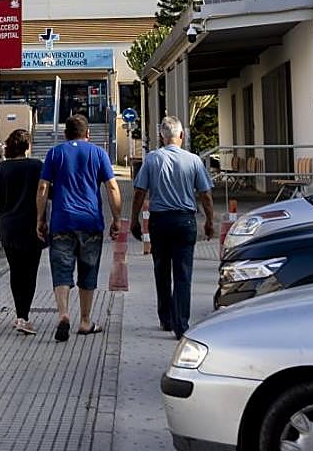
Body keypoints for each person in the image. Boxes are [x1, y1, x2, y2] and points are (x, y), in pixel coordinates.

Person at [37, 114, 122, 342]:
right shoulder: (98, 153)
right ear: (88, 134)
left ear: (66, 134)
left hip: (62, 222)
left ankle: (63, 314)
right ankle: (85, 321)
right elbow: (112, 187)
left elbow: (43, 187)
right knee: (88, 270)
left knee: (61, 271)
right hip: (90, 222)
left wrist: (40, 219)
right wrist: (117, 218)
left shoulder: (55, 153)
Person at [130, 116, 215, 340]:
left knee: (161, 270)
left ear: (161, 137)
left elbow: (139, 191)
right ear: (182, 136)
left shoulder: (152, 159)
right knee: (183, 274)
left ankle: (165, 318)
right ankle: (181, 323)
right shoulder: (194, 160)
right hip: (185, 222)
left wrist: (134, 220)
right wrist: (209, 221)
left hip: (160, 222)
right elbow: (205, 195)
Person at [0, 128, 44, 335]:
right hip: (33, 227)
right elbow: (47, 193)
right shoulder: (37, 167)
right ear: (27, 146)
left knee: (16, 272)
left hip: (8, 228)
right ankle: (24, 316)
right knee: (30, 273)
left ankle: (21, 316)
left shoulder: (1, 169)